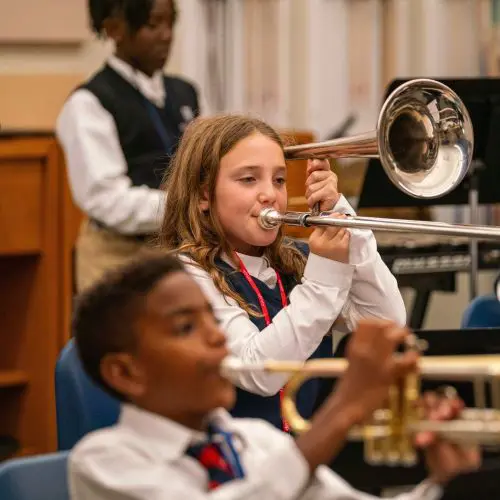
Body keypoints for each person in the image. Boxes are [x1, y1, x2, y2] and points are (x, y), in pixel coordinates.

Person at [69, 254, 479, 500]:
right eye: (185, 328)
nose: (216, 336)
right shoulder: (103, 461)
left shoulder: (257, 443)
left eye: (212, 319)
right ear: (126, 372)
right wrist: (343, 410)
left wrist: (445, 484)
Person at [159, 114, 406, 430]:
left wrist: (343, 216)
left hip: (303, 454)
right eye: (249, 179)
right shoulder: (188, 276)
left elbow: (387, 321)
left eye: (278, 179)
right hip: (237, 459)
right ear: (204, 195)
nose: (270, 194)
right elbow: (260, 373)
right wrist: (325, 275)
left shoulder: (299, 261)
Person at [56, 0, 199, 292]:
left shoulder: (185, 92)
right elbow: (107, 200)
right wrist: (185, 204)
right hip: (119, 258)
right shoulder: (90, 102)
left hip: (181, 252)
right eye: (153, 24)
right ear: (115, 29)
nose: (166, 34)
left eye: (171, 22)